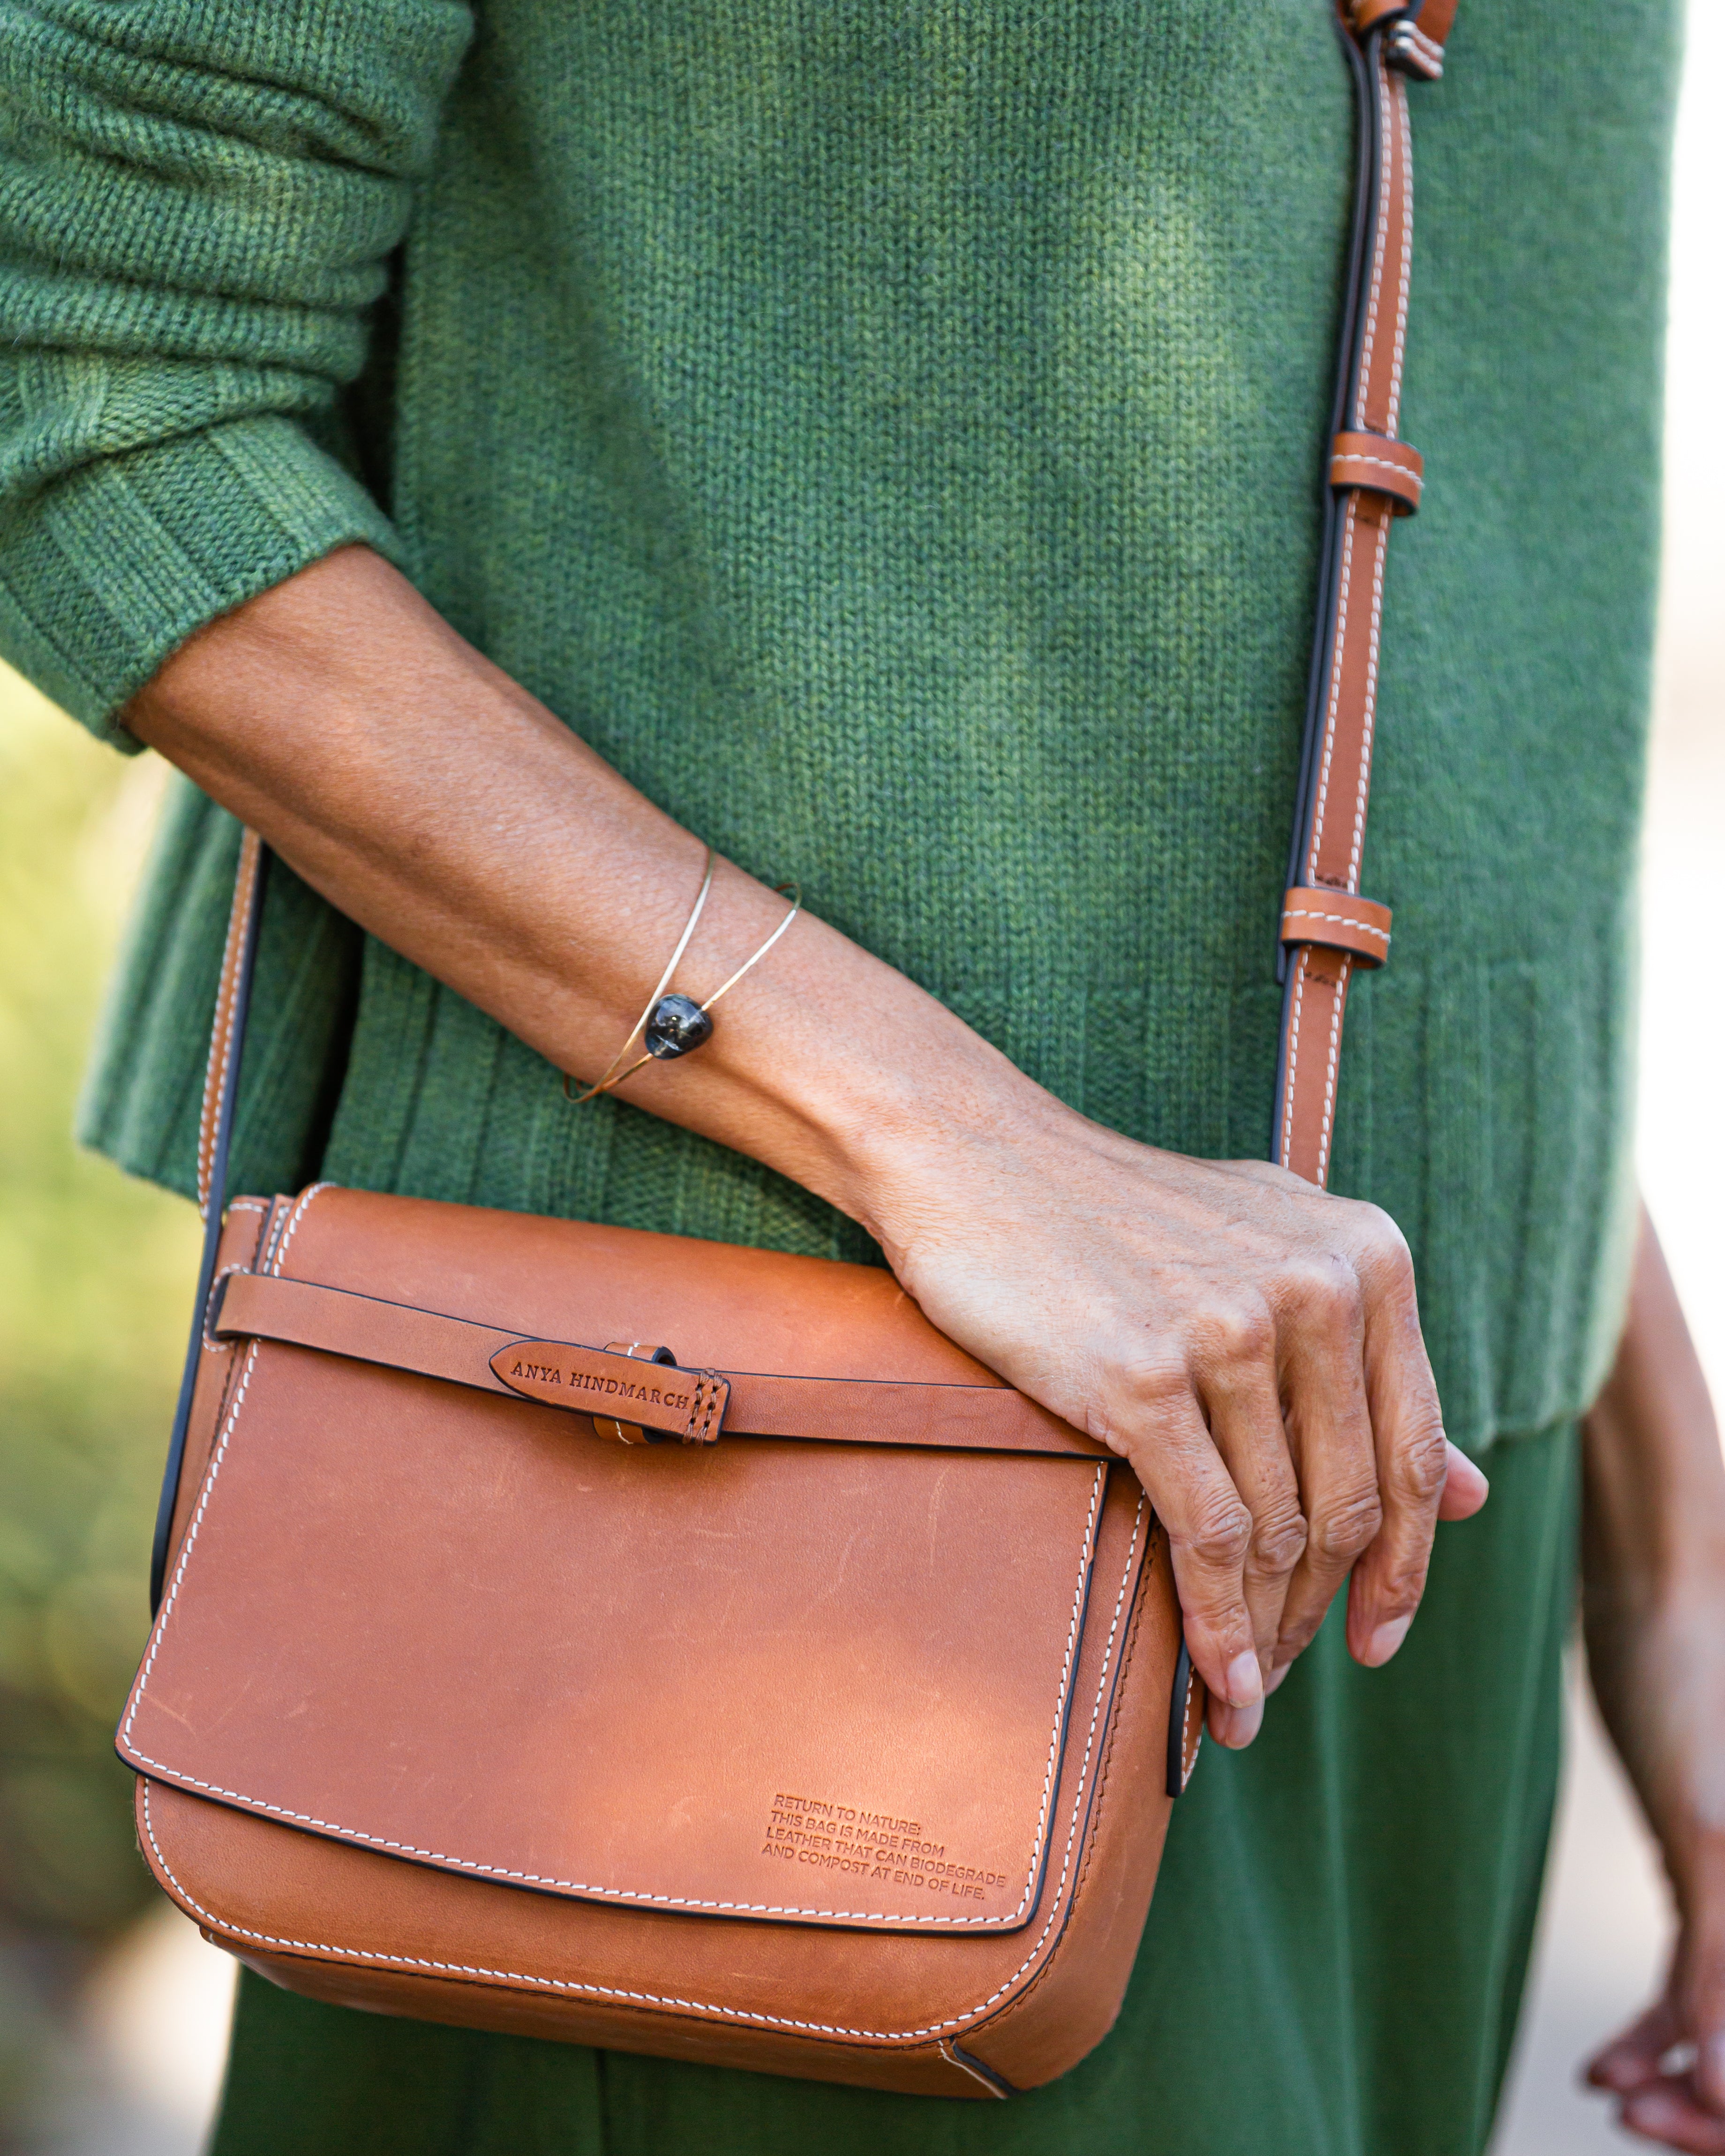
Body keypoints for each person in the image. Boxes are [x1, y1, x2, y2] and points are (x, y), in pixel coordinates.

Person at [1, 0, 1718, 2149]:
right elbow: (81, 356)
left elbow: (1383, 617)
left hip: (1392, 1515)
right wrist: (952, 1136)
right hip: (718, 1489)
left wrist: (1670, 1546)